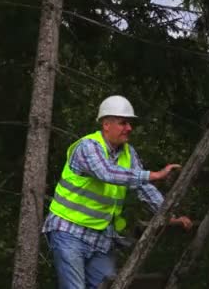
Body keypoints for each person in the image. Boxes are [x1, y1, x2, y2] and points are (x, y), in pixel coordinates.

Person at [42, 95, 192, 289]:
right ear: (106, 124)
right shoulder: (88, 147)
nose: (129, 128)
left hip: (101, 238)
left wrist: (169, 216)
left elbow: (144, 189)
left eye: (130, 123)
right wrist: (154, 174)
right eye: (123, 123)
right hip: (69, 231)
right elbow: (107, 173)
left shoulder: (128, 153)